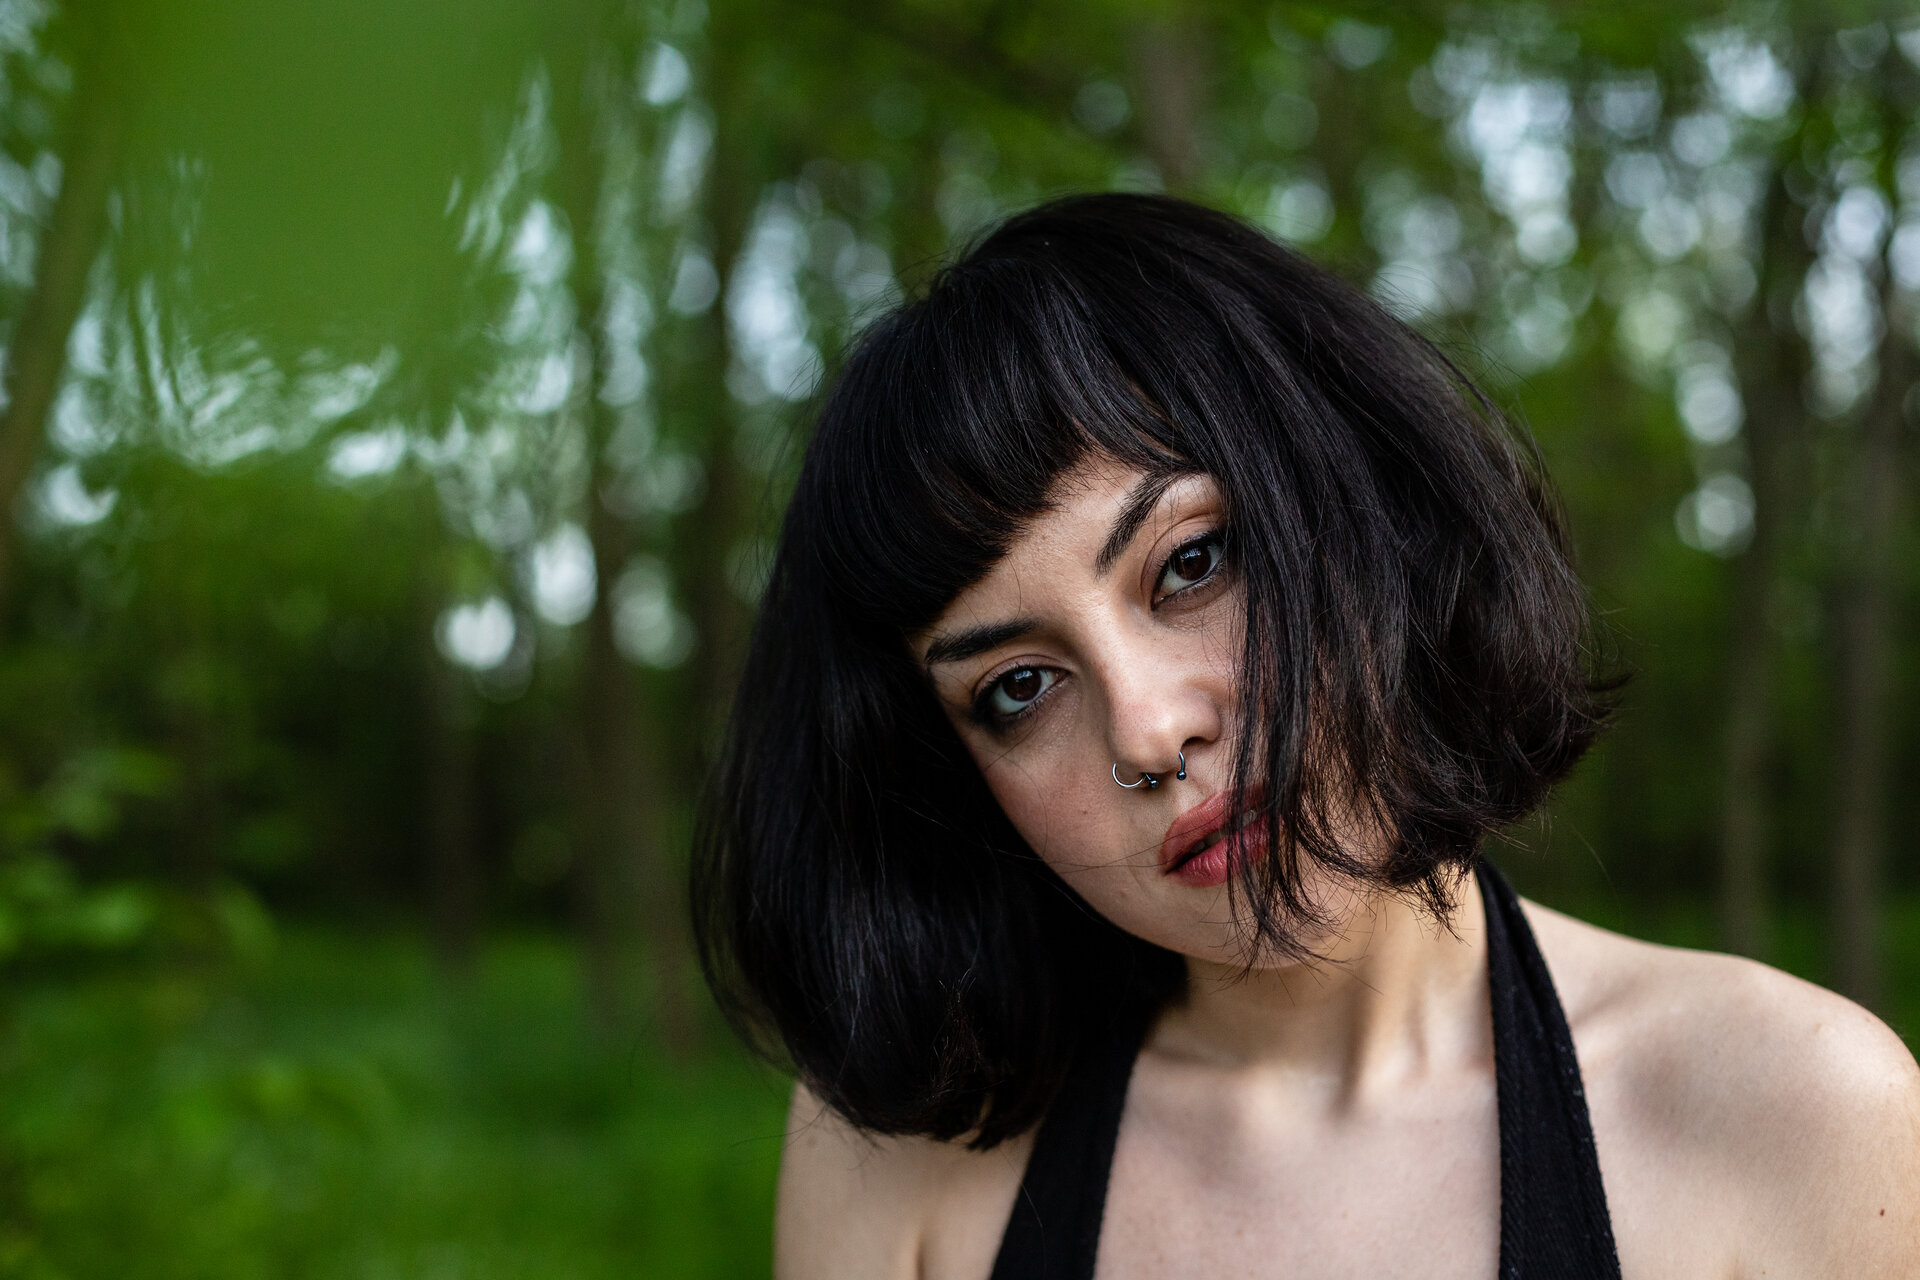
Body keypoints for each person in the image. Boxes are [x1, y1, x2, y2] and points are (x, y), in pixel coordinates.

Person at [691, 193, 1920, 1279]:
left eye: (1193, 561)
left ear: (1365, 507)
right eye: (1019, 686)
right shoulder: (901, 1150)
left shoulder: (1796, 1113)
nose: (1150, 729)